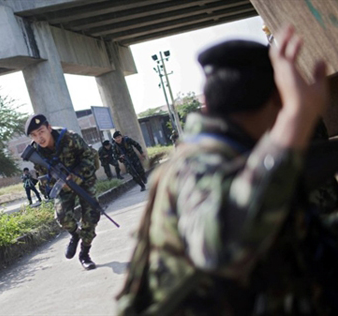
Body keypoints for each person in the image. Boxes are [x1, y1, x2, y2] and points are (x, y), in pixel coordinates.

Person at [116, 26, 337, 315]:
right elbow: (218, 246)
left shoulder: (241, 157)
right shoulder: (196, 165)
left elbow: (298, 236)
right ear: (278, 100)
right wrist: (296, 119)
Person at [25, 114, 99, 270]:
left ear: (49, 128)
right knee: (62, 216)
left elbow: (89, 158)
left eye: (41, 132)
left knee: (92, 215)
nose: (40, 138)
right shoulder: (36, 152)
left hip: (84, 180)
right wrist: (55, 182)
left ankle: (84, 254)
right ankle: (75, 234)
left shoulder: (69, 137)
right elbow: (41, 176)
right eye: (34, 135)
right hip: (62, 184)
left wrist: (77, 174)